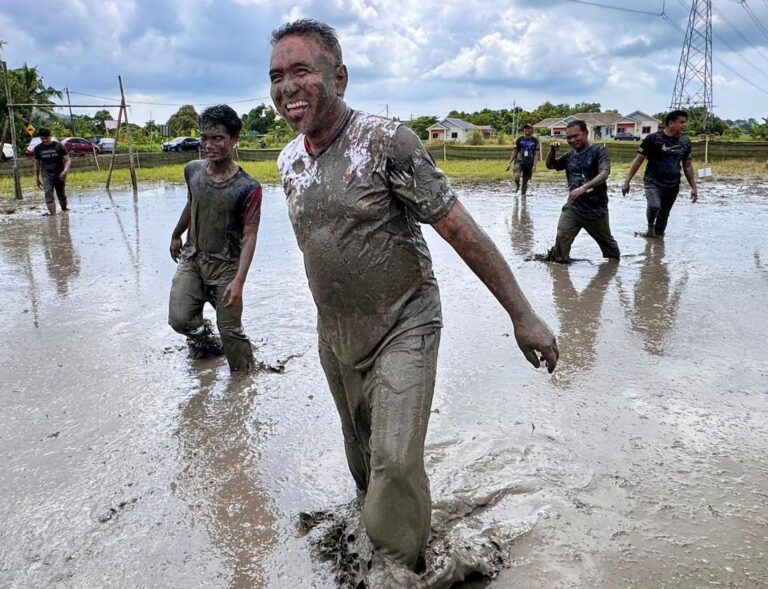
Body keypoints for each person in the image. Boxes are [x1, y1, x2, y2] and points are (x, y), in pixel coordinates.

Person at [269, 19, 558, 583]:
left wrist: (523, 314)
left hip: (406, 321)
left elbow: (460, 228)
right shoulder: (288, 162)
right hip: (336, 332)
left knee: (396, 461)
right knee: (363, 462)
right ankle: (383, 531)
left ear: (339, 76)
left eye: (301, 71)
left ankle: (402, 571)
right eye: (277, 76)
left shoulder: (385, 141)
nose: (287, 87)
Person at [168, 105, 262, 373]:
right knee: (179, 318)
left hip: (226, 268)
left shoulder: (248, 187)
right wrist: (176, 234)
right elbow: (192, 203)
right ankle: (204, 338)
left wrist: (239, 280)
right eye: (205, 137)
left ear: (234, 140)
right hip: (193, 259)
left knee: (231, 333)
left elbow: (250, 235)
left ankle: (244, 383)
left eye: (218, 138)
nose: (209, 145)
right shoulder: (193, 170)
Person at [543, 120, 621, 263]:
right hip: (574, 207)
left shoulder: (599, 151)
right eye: (569, 137)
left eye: (576, 136)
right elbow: (550, 165)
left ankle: (612, 268)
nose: (572, 140)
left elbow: (604, 173)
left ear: (586, 133)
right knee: (561, 238)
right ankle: (560, 271)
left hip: (596, 209)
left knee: (609, 249)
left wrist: (584, 187)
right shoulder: (570, 156)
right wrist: (552, 151)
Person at [621, 110, 697, 237]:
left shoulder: (685, 141)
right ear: (671, 123)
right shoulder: (653, 138)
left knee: (664, 213)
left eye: (685, 122)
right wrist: (626, 182)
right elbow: (638, 160)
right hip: (653, 181)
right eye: (681, 122)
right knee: (654, 206)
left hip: (673, 184)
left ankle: (658, 246)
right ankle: (650, 228)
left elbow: (687, 165)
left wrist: (694, 187)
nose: (684, 125)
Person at [33, 128, 70, 215]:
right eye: (42, 139)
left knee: (61, 194)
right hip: (46, 174)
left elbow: (67, 160)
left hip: (60, 174)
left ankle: (64, 210)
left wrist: (65, 171)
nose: (45, 140)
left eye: (46, 138)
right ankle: (53, 217)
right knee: (48, 195)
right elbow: (37, 164)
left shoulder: (59, 146)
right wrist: (37, 178)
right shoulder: (38, 148)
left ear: (50, 136)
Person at [506, 123, 539, 195]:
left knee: (525, 182)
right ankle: (517, 185)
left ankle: (523, 198)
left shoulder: (535, 141)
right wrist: (509, 163)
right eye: (525, 128)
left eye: (528, 128)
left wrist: (534, 165)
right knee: (516, 176)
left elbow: (536, 153)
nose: (526, 129)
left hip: (529, 163)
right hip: (519, 161)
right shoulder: (519, 140)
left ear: (532, 130)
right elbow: (514, 151)